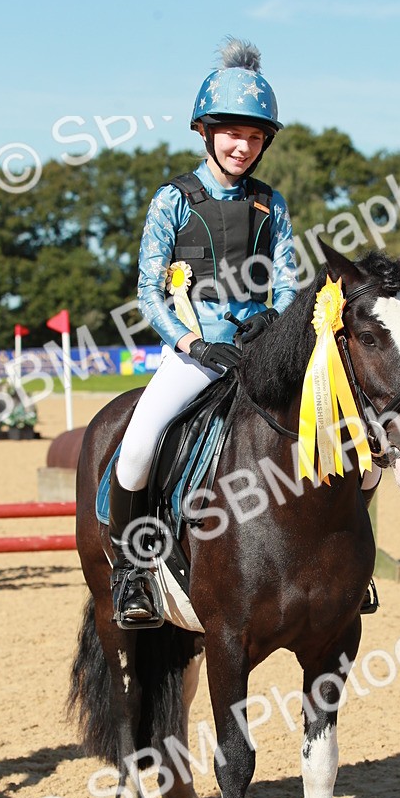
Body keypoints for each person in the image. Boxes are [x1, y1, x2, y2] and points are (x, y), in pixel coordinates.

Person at [109, 38, 298, 626]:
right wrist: (191, 344)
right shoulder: (172, 200)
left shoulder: (272, 204)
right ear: (207, 131)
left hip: (261, 348)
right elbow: (148, 291)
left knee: (344, 434)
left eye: (255, 136)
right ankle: (133, 573)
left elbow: (288, 278)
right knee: (137, 446)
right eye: (232, 133)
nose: (243, 145)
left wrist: (279, 321)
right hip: (196, 349)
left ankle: (346, 567)